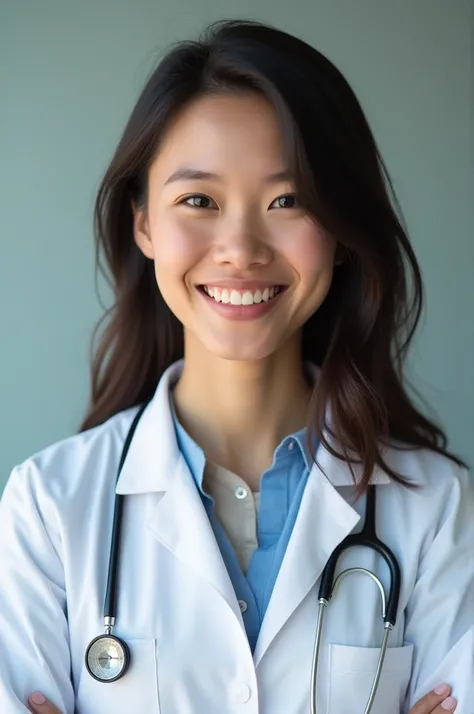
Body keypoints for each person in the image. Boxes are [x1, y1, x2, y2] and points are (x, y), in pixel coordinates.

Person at [0, 19, 473, 714]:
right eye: (199, 201)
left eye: (289, 201)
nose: (241, 248)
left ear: (340, 229)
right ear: (143, 224)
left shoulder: (439, 510)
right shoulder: (48, 510)